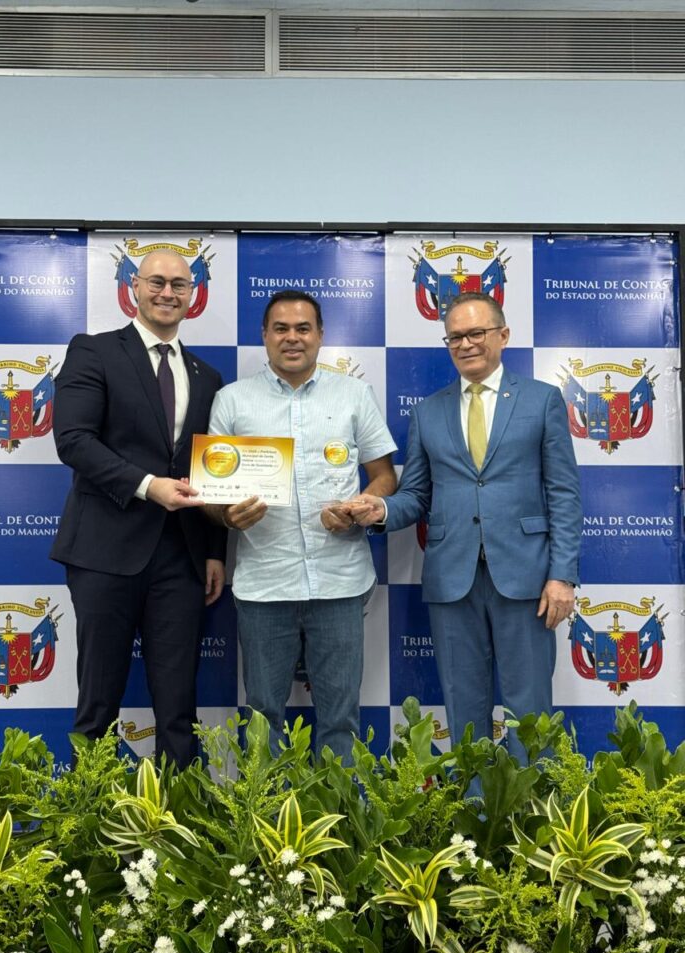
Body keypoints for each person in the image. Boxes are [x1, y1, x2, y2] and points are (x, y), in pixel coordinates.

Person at [347, 292, 581, 764]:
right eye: (455, 337)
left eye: (476, 333)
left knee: (530, 712)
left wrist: (562, 576)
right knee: (463, 710)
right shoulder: (428, 411)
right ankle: (474, 806)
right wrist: (380, 510)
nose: (466, 344)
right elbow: (416, 496)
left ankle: (534, 804)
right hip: (452, 579)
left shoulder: (543, 400)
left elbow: (564, 493)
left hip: (527, 578)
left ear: (503, 335)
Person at [51, 250, 226, 767]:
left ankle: (177, 814)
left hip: (182, 558)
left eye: (179, 284)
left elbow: (213, 471)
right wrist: (149, 486)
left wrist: (215, 551)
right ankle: (88, 812)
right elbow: (73, 440)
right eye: (157, 282)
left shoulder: (208, 376)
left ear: (192, 295)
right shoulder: (94, 351)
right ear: (134, 287)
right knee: (98, 704)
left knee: (178, 710)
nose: (167, 293)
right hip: (104, 551)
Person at [206, 289, 397, 762]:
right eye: (281, 329)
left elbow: (385, 476)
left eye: (303, 328)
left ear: (320, 335)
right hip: (265, 584)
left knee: (340, 718)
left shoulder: (354, 394)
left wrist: (360, 505)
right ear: (264, 335)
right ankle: (268, 809)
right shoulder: (232, 400)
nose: (292, 338)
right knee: (262, 718)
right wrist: (227, 515)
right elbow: (211, 493)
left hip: (340, 581)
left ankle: (339, 809)